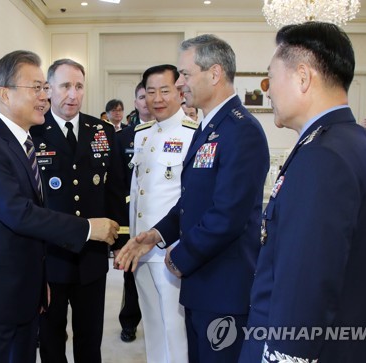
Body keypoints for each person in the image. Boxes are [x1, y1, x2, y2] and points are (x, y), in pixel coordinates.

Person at [0, 51, 119, 363]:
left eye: (44, 88)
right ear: (5, 93)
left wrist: (39, 284)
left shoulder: (20, 141)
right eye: (36, 88)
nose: (45, 96)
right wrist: (90, 228)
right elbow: (19, 213)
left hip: (24, 293)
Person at [238, 22, 366, 363]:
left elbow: (304, 287)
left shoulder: (323, 157)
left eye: (271, 78)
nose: (269, 91)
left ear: (303, 78)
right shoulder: (354, 142)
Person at [116, 34, 270, 363]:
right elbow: (190, 201)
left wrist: (179, 257)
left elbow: (227, 215)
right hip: (202, 280)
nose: (181, 83)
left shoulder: (242, 131)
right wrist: (155, 235)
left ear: (214, 74)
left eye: (185, 74)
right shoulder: (210, 128)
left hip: (222, 285)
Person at [30, 58, 128, 363]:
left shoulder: (100, 130)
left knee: (90, 340)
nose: (73, 94)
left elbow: (114, 191)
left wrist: (121, 243)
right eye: (65, 86)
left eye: (79, 86)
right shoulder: (34, 131)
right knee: (51, 340)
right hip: (51, 258)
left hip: (92, 258)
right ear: (48, 89)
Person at [129, 64, 197, 362]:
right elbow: (138, 192)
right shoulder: (142, 134)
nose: (157, 98)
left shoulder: (194, 133)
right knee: (153, 323)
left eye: (165, 90)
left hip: (170, 249)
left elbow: (190, 198)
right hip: (141, 248)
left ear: (180, 92)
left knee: (174, 326)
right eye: (151, 92)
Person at [114, 81, 154, 343]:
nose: (147, 101)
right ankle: (129, 321)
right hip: (130, 214)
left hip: (159, 214)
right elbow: (117, 183)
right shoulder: (123, 137)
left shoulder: (172, 133)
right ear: (136, 102)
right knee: (132, 273)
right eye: (142, 96)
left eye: (150, 95)